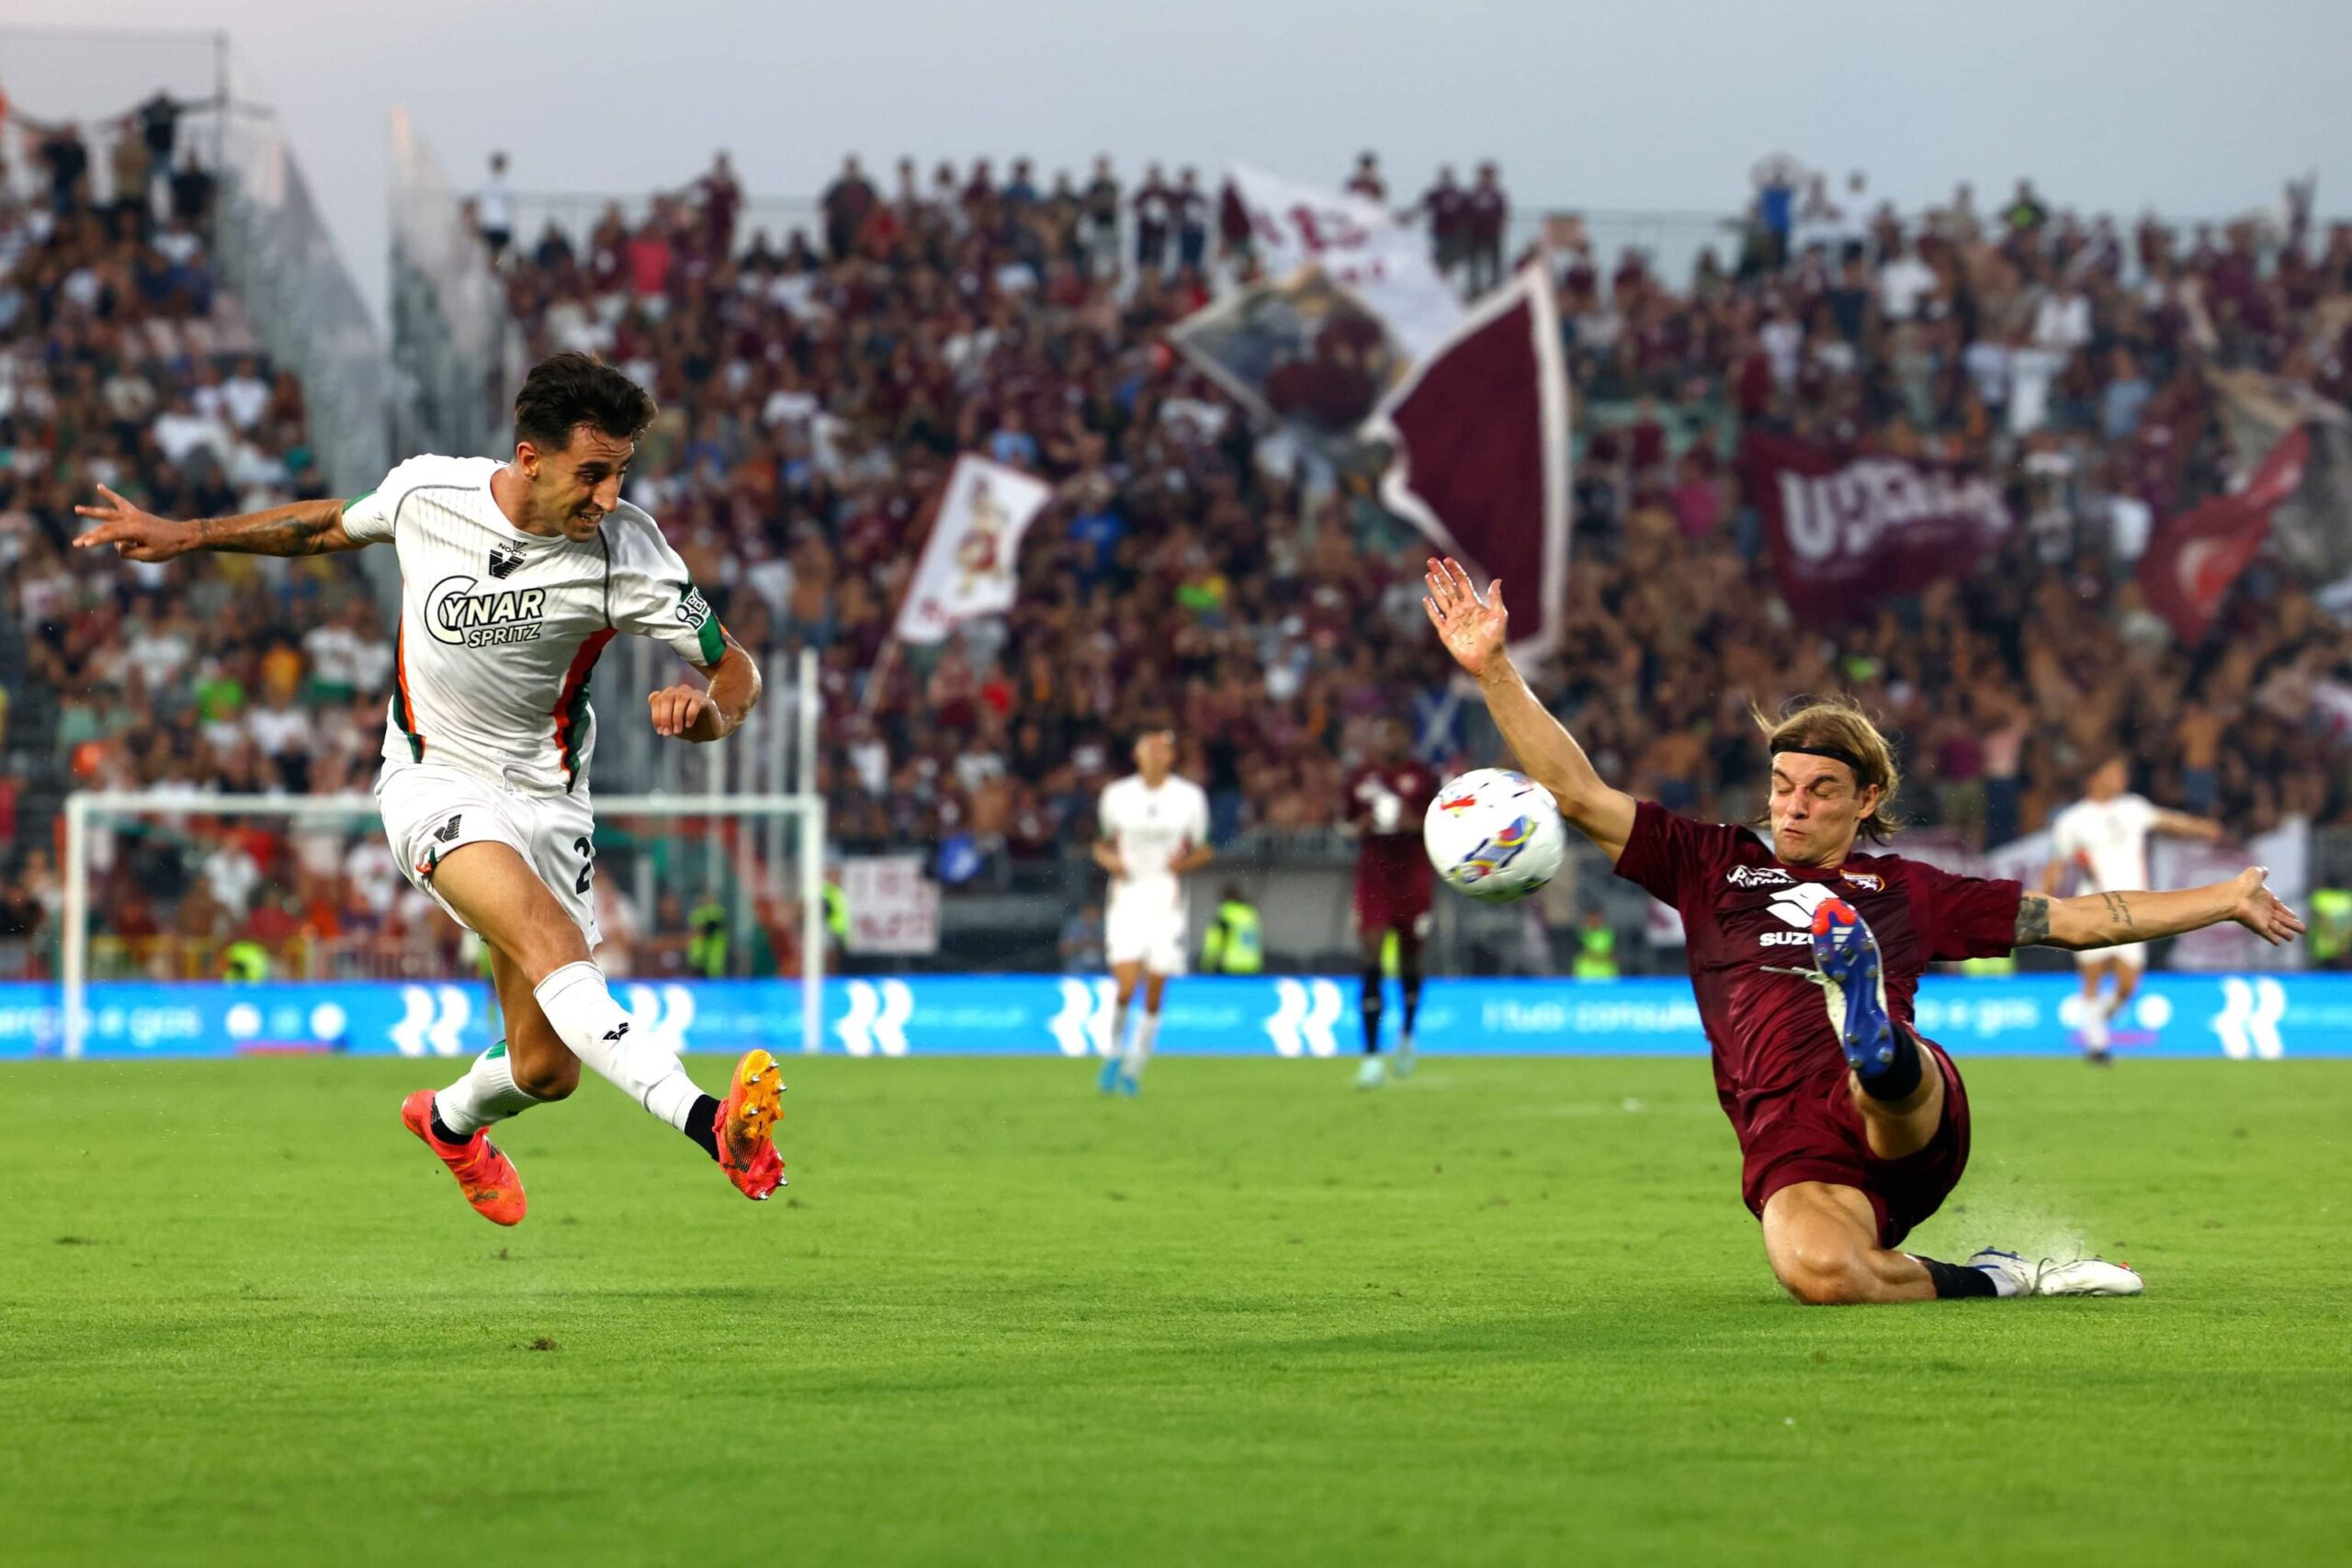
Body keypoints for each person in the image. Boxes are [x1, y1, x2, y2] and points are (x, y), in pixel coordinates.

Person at [1422, 557, 2301, 1303]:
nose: (1794, 806)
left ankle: (1870, 1032)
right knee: (1822, 1274)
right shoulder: (1710, 863)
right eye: (1782, 786)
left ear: (1867, 798)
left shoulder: (1905, 887)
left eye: (1821, 790)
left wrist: (2224, 896)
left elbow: (2071, 920)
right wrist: (1493, 667)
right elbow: (1576, 794)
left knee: (1882, 1073)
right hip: (1790, 1142)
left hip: (1907, 1120)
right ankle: (2007, 1278)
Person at [74, 352, 788, 1224]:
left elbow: (735, 668)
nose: (606, 496)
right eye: (591, 474)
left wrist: (708, 716)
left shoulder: (627, 551)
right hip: (432, 778)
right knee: (550, 937)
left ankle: (449, 1122)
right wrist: (188, 534)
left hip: (549, 797)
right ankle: (714, 1125)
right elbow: (325, 527)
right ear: (531, 459)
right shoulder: (428, 496)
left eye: (620, 474)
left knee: (545, 1070)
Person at [2041, 756, 2225, 1064]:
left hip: (2133, 907)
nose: (2120, 777)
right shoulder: (2072, 819)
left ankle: (2098, 1016)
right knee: (2092, 976)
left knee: (2128, 984)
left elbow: (2169, 821)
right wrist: (2042, 899)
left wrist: (2201, 828)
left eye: (2121, 772)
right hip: (2092, 905)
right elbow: (2057, 863)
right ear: (2094, 777)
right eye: (2112, 771)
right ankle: (2096, 1045)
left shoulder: (2133, 808)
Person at [1091, 728, 1212, 1095]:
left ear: (1172, 758)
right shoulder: (1116, 796)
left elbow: (1204, 850)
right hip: (1127, 896)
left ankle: (1135, 1066)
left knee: (1156, 989)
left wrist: (1183, 865)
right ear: (1137, 754)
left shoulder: (1189, 797)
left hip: (1166, 898)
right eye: (1151, 748)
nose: (1157, 754)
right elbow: (1100, 844)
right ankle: (1113, 1052)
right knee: (1126, 985)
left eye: (1164, 749)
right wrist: (1111, 861)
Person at [1345, 716, 1437, 1087]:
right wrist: (1363, 826)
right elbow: (1346, 825)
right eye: (1384, 732)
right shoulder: (1362, 779)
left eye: (1396, 731)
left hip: (1413, 873)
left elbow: (1439, 825)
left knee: (1410, 957)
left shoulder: (1424, 777)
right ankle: (1369, 1057)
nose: (1390, 739)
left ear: (1407, 738)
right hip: (1374, 873)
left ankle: (1407, 1037)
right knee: (1371, 950)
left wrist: (1410, 821)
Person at [1200, 884, 1263, 975]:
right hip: (1252, 966)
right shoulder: (1250, 913)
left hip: (1232, 966)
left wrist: (1208, 965)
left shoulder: (1226, 914)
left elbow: (1214, 941)